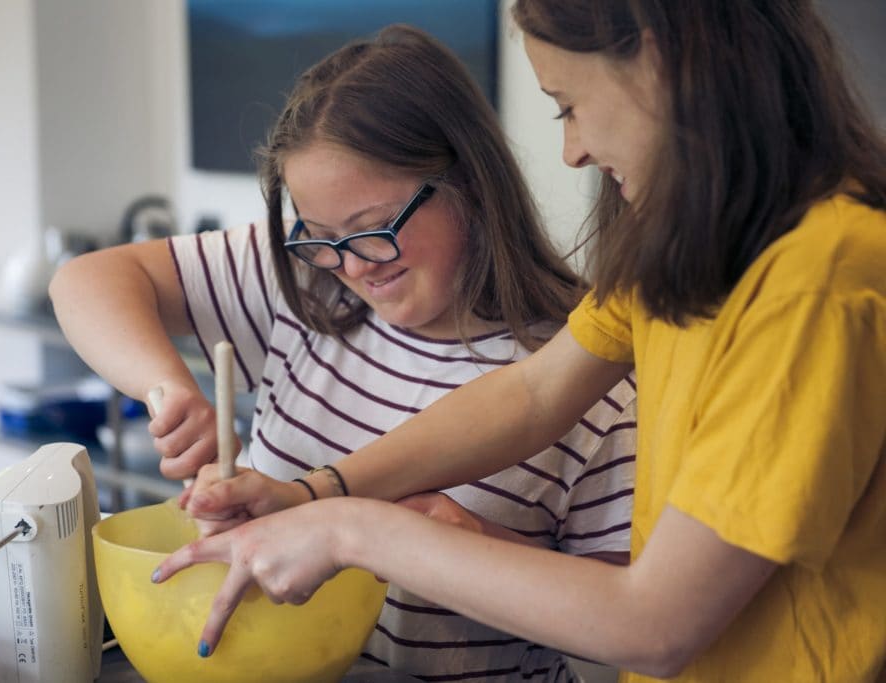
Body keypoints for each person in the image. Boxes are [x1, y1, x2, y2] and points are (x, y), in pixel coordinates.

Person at [154, 2, 886, 681]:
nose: (570, 149)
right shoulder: (699, 238)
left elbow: (656, 622)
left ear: (661, 62)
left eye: (568, 106)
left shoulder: (814, 283)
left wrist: (349, 530)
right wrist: (313, 493)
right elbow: (534, 393)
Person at [49, 24, 637, 683]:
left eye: (373, 230)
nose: (352, 265)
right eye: (319, 235)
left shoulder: (595, 384)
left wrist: (466, 546)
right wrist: (167, 388)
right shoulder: (307, 285)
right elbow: (83, 281)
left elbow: (625, 636)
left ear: (470, 182)